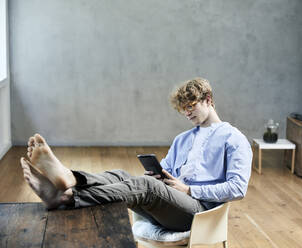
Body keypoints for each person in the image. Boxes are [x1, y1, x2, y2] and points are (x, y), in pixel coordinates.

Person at [20, 78, 252, 232]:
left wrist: (189, 190)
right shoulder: (183, 138)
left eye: (191, 106)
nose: (186, 113)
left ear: (208, 101)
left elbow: (237, 189)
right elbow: (164, 168)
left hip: (200, 214)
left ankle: (67, 198)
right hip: (172, 202)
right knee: (122, 175)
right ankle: (71, 179)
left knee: (144, 185)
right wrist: (160, 175)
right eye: (183, 109)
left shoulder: (234, 139)